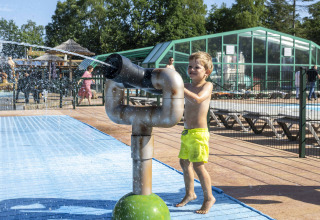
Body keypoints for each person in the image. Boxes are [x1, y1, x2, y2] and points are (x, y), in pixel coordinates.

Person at [176, 51, 215, 214]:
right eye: (189, 66)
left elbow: (198, 99)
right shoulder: (186, 86)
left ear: (207, 71)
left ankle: (209, 198)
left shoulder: (207, 85)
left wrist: (180, 88)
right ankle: (190, 193)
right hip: (187, 132)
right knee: (184, 163)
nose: (192, 69)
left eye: (196, 67)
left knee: (199, 166)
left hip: (199, 133)